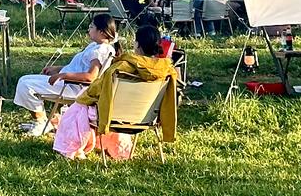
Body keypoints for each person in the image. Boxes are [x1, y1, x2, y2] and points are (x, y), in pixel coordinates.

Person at [53, 23, 180, 161]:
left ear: (137, 44)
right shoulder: (167, 71)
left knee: (78, 108)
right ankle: (118, 147)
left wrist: (85, 96)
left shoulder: (122, 67)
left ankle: (70, 149)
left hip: (112, 116)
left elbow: (97, 89)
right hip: (145, 117)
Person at [14, 13, 119, 136]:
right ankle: (42, 120)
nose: (88, 30)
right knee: (24, 79)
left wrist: (63, 75)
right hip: (70, 82)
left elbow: (91, 77)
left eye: (91, 27)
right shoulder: (95, 46)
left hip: (75, 87)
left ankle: (41, 121)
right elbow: (79, 67)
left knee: (26, 86)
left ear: (101, 32)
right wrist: (58, 69)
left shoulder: (100, 50)